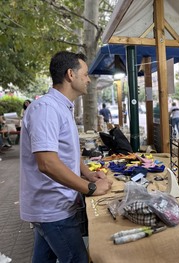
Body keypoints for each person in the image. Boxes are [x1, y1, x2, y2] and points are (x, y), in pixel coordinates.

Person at [20, 51, 113, 262]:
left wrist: (88, 174)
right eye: (86, 74)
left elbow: (68, 150)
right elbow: (47, 163)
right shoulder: (46, 109)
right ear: (71, 74)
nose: (88, 79)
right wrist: (89, 188)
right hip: (53, 209)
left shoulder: (61, 107)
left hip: (53, 206)